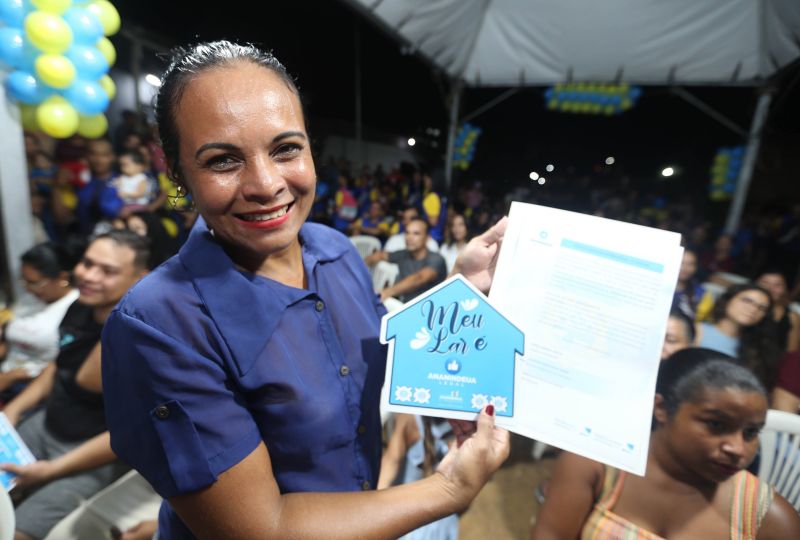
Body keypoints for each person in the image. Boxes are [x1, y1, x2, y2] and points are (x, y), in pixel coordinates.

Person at [100, 41, 510, 540]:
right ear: (177, 172)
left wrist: (458, 287)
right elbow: (261, 528)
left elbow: (380, 343)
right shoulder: (160, 326)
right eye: (223, 160)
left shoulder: (334, 251)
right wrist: (447, 491)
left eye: (285, 149)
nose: (266, 183)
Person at [531, 347, 800, 540]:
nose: (738, 448)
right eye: (716, 425)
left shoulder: (769, 519)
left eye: (751, 433)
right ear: (661, 408)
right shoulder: (599, 464)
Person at [0, 230, 150, 540]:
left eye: (107, 271)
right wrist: (14, 409)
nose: (88, 276)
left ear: (139, 278)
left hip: (90, 454)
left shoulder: (140, 343)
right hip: (47, 423)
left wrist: (51, 471)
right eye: (87, 263)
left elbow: (131, 432)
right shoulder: (80, 306)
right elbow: (60, 365)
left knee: (17, 533)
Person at [0, 242, 80, 399]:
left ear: (62, 278)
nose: (28, 288)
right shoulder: (29, 300)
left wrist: (14, 376)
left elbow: (66, 364)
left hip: (37, 391)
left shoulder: (76, 308)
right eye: (23, 281)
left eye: (35, 283)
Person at [378, 414, 458, 539]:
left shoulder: (408, 416)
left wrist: (371, 508)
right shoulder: (464, 423)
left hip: (406, 517)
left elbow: (392, 460)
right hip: (441, 520)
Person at [695, 284, 782, 389]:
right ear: (728, 300)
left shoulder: (758, 349)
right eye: (747, 301)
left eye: (762, 308)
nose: (753, 309)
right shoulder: (697, 330)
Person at [365, 216, 448, 302]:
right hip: (400, 306)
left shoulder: (437, 259)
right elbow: (381, 255)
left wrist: (387, 292)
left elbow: (420, 278)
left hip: (428, 310)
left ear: (427, 238)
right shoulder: (403, 254)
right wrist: (362, 266)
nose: (409, 238)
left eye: (416, 234)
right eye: (407, 233)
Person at [755, 270, 800, 352]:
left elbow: (791, 352)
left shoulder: (792, 317)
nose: (770, 288)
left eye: (778, 285)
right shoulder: (742, 308)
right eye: (764, 282)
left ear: (785, 289)